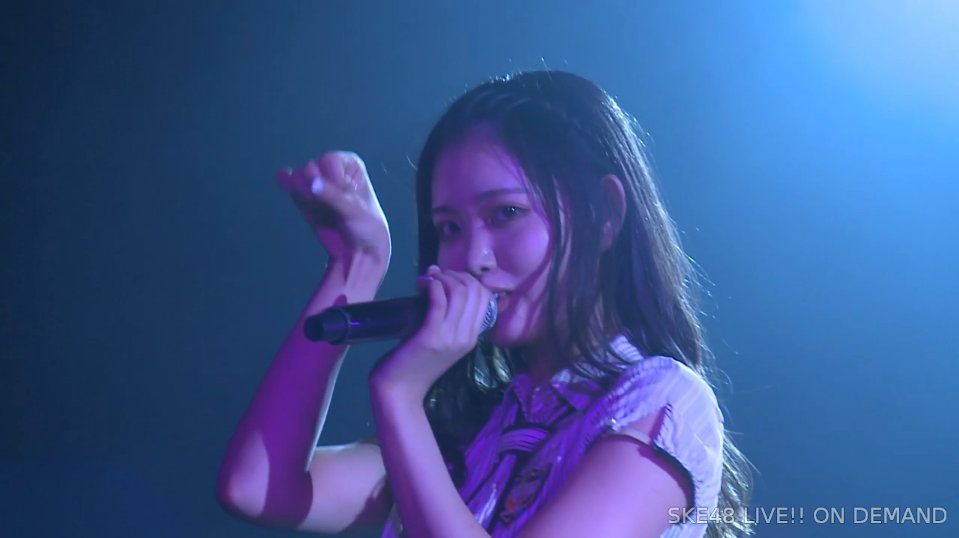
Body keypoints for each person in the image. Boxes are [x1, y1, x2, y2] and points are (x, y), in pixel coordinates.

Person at [217, 70, 752, 538]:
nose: (472, 257)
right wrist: (356, 265)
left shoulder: (661, 402)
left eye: (506, 214)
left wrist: (399, 393)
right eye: (449, 228)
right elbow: (257, 487)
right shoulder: (476, 430)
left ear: (605, 214)